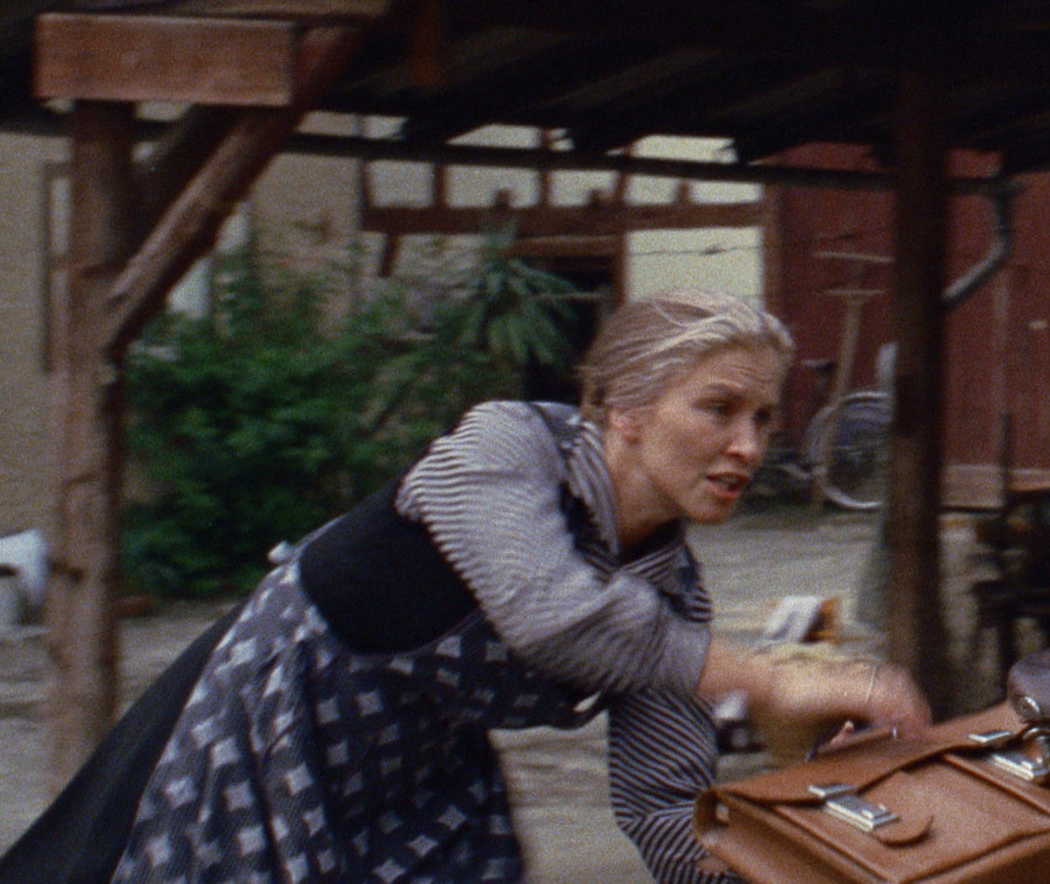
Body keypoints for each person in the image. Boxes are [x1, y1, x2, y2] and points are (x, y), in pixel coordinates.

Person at [40, 287, 928, 884]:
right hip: (267, 737)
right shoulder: (501, 451)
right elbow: (554, 618)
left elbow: (663, 802)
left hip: (420, 784)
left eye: (765, 419)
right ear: (626, 406)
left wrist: (803, 862)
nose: (748, 446)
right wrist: (773, 676)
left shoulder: (671, 599)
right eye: (719, 408)